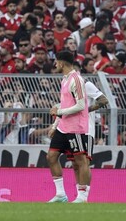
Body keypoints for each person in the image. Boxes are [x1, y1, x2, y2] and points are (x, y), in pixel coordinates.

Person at [47, 51, 91, 203]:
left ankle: (83, 196)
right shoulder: (64, 79)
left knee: (80, 161)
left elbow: (80, 105)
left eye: (56, 62)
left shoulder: (76, 79)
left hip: (76, 127)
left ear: (62, 63)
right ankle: (60, 195)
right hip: (63, 127)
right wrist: (55, 124)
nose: (55, 65)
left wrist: (59, 112)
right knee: (51, 157)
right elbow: (65, 104)